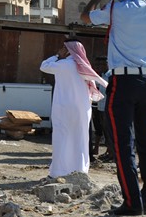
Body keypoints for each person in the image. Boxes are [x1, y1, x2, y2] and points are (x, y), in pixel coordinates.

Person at [80, 0, 146, 217]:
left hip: (123, 81)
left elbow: (85, 17)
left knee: (122, 143)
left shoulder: (116, 8)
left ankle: (131, 202)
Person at [39, 39, 106, 178]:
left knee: (62, 138)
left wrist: (57, 56)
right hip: (82, 110)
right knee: (80, 138)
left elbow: (44, 66)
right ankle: (80, 170)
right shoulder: (85, 67)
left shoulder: (63, 65)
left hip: (64, 108)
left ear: (67, 50)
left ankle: (59, 171)